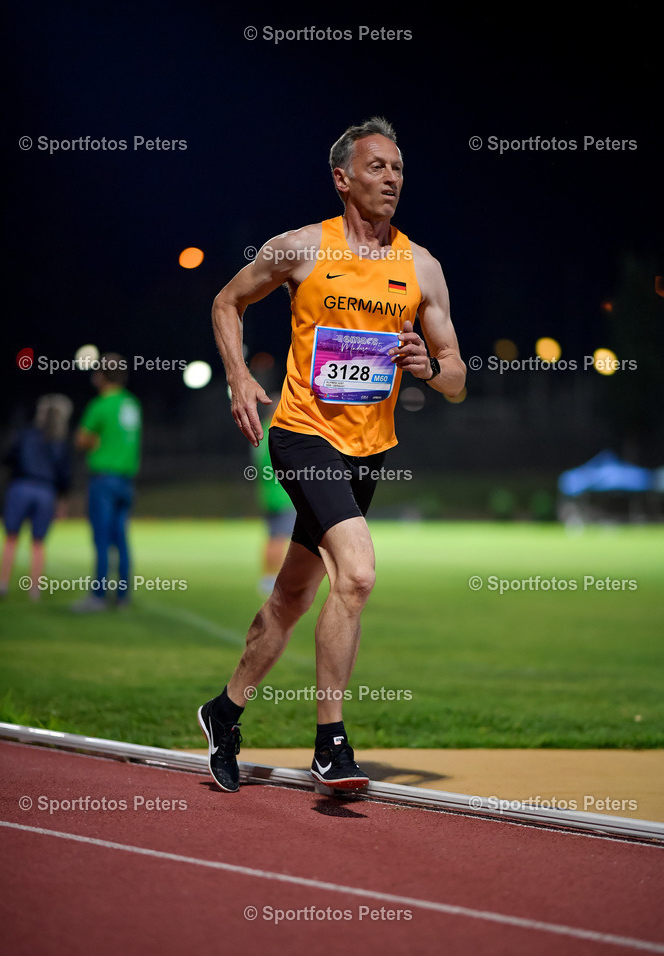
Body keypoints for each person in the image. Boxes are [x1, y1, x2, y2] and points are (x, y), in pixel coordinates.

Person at [199, 116, 466, 793]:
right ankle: (330, 743)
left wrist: (427, 369)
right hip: (301, 434)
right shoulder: (298, 249)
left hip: (368, 449)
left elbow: (458, 377)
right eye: (377, 168)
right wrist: (236, 377)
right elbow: (226, 302)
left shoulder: (421, 265)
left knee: (292, 595)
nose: (392, 180)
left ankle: (223, 711)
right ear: (342, 178)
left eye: (399, 170)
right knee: (358, 572)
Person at [73, 354, 142, 612]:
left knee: (101, 539)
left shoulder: (100, 405)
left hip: (104, 479)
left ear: (101, 376)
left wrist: (96, 442)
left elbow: (81, 440)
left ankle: (98, 596)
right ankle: (123, 596)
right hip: (126, 480)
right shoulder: (132, 404)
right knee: (121, 539)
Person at [0, 394, 73, 600]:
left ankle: (2, 584)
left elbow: (9, 457)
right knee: (38, 543)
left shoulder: (25, 434)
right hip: (46, 492)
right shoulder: (58, 443)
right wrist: (62, 499)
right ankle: (34, 589)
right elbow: (64, 474)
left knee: (11, 538)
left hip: (21, 487)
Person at [253, 392, 296, 595]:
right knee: (280, 538)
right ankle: (273, 579)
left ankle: (267, 578)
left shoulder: (262, 430)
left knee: (272, 537)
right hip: (283, 493)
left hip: (268, 492)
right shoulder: (281, 432)